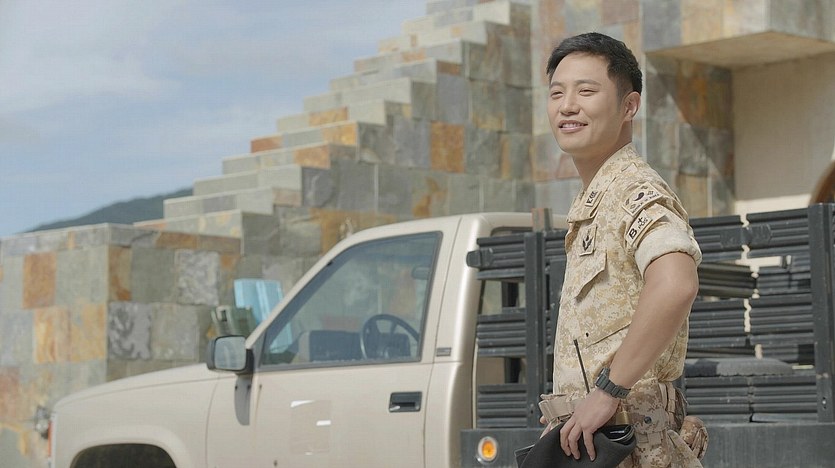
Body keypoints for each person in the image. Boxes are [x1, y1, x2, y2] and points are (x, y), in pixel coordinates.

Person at [540, 32, 707, 466]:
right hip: (597, 444)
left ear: (629, 106)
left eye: (586, 91)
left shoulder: (634, 189)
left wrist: (608, 391)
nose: (567, 106)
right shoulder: (595, 199)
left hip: (632, 446)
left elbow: (676, 283)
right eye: (557, 93)